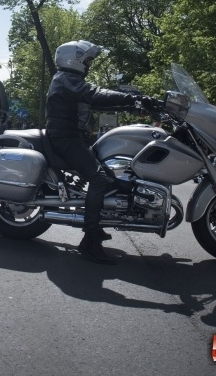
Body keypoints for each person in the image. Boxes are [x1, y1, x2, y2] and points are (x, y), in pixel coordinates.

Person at [45, 40, 162, 264]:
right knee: (99, 180)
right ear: (75, 59)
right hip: (65, 138)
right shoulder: (67, 80)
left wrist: (136, 105)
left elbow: (100, 101)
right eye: (87, 60)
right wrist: (135, 98)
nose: (89, 64)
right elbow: (96, 94)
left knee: (110, 177)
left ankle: (96, 226)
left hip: (72, 137)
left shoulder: (69, 80)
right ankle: (89, 242)